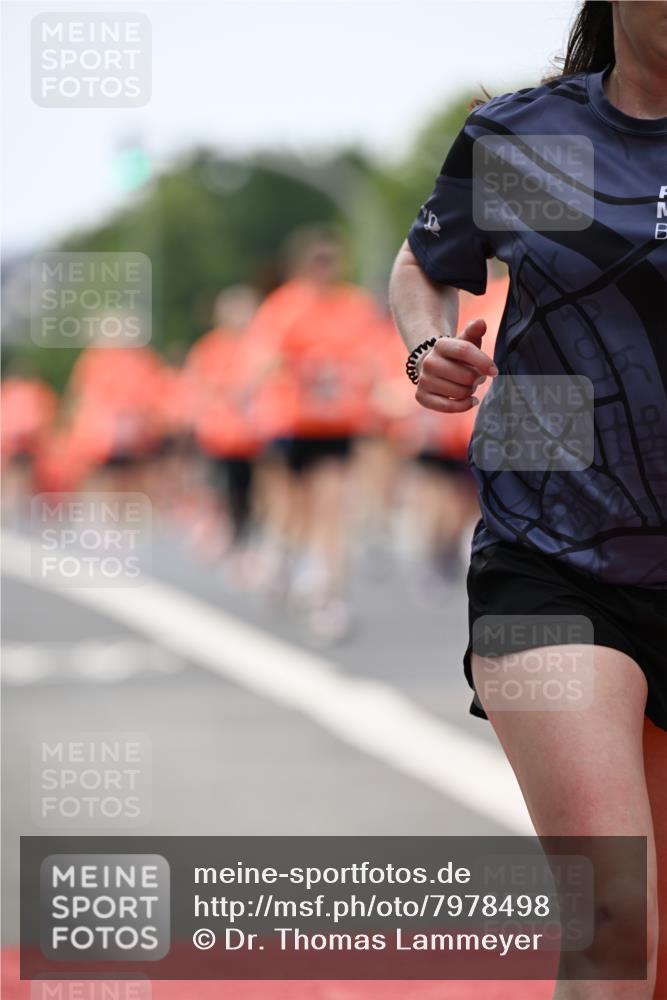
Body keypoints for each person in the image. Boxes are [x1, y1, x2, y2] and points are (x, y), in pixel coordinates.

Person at [389, 2, 667, 997]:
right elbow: (427, 265)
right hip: (552, 559)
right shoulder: (531, 137)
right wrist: (429, 347)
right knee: (611, 918)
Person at [245, 225, 380, 641]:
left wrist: (365, 383)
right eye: (317, 261)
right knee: (293, 507)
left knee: (332, 505)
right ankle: (284, 553)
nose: (326, 269)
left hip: (336, 422)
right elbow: (261, 359)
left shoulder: (354, 306)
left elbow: (373, 358)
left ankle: (329, 594)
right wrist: (293, 366)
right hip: (291, 421)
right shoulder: (284, 307)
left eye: (332, 260)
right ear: (301, 265)